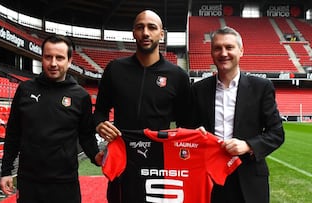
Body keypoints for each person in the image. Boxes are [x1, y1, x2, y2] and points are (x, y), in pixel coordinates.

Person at [93, 10, 192, 202]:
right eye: (140, 27)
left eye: (152, 27)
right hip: (122, 159)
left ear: (161, 34)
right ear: (133, 33)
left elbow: (185, 124)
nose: (145, 32)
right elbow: (99, 112)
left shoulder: (178, 76)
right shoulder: (115, 69)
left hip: (159, 162)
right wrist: (100, 124)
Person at [0, 34, 104, 203]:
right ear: (42, 58)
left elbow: (86, 135)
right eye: (48, 57)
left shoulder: (81, 96)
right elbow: (13, 133)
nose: (53, 63)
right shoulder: (25, 89)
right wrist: (6, 171)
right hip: (29, 181)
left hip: (65, 183)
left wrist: (95, 156)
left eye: (60, 58)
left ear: (69, 61)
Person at [190, 26, 285, 203]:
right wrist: (197, 135)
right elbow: (189, 130)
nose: (223, 53)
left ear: (241, 51)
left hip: (248, 177)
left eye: (229, 47)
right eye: (217, 48)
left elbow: (277, 133)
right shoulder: (198, 90)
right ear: (211, 52)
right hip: (208, 177)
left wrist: (248, 145)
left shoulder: (261, 88)